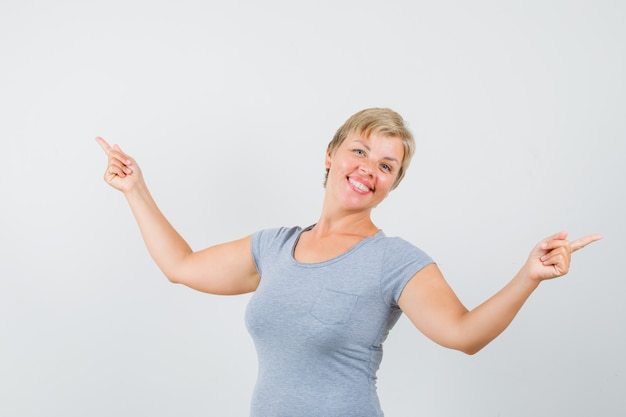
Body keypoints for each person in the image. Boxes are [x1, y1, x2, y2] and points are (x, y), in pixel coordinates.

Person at [97, 108, 601, 417]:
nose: (368, 170)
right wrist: (135, 190)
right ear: (330, 155)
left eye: (387, 165)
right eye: (359, 150)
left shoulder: (394, 261)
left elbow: (463, 334)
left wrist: (528, 275)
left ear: (392, 184)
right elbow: (180, 265)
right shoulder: (274, 247)